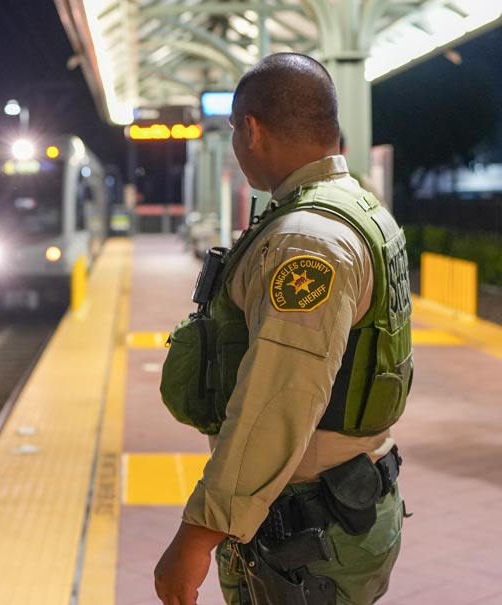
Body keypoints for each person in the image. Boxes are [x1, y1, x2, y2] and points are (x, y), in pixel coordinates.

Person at [154, 52, 412, 605]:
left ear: (251, 130)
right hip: (348, 506)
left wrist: (199, 533)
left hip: (307, 537)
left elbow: (279, 398)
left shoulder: (307, 241)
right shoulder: (360, 208)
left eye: (231, 133)